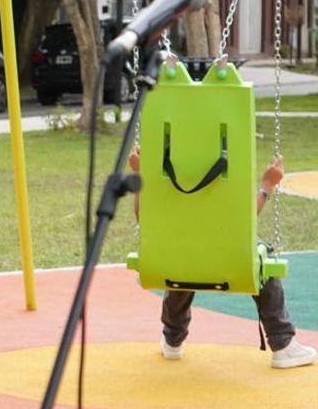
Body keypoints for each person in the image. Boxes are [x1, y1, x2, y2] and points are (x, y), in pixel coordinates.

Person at [130, 148, 315, 368]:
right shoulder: (227, 161)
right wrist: (267, 185)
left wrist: (140, 173)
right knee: (261, 254)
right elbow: (242, 223)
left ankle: (172, 340)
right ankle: (282, 343)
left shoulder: (168, 165)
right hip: (228, 259)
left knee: (182, 258)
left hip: (179, 259)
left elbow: (143, 218)